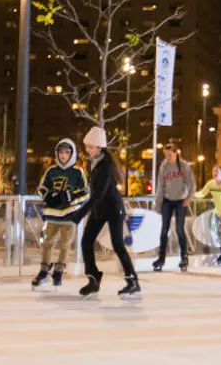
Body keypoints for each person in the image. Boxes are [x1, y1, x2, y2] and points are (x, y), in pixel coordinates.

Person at [69, 127, 140, 299]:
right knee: (86, 241)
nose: (88, 151)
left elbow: (98, 194)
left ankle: (133, 281)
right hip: (99, 208)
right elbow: (93, 193)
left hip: (114, 209)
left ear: (100, 147)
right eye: (87, 147)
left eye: (91, 147)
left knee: (117, 245)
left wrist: (79, 214)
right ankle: (93, 278)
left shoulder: (106, 165)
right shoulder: (93, 162)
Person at [31, 138, 88, 289]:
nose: (63, 156)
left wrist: (70, 197)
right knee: (48, 242)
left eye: (66, 153)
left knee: (65, 244)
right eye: (60, 152)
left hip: (70, 214)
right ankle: (44, 270)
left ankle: (59, 270)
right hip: (53, 214)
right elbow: (41, 187)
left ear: (72, 154)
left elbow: (85, 192)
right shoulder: (51, 171)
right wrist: (48, 196)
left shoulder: (77, 172)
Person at [153, 143, 196, 272]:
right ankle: (161, 258)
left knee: (179, 229)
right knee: (164, 230)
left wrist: (189, 198)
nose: (168, 157)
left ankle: (184, 257)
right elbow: (160, 185)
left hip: (180, 201)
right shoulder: (164, 166)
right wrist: (158, 202)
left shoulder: (183, 166)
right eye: (166, 155)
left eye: (170, 155)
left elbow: (191, 183)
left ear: (176, 153)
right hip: (167, 200)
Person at [195, 165, 221, 265]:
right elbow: (202, 193)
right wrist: (191, 194)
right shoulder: (211, 184)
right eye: (214, 171)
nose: (215, 173)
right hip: (218, 212)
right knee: (219, 233)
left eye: (217, 172)